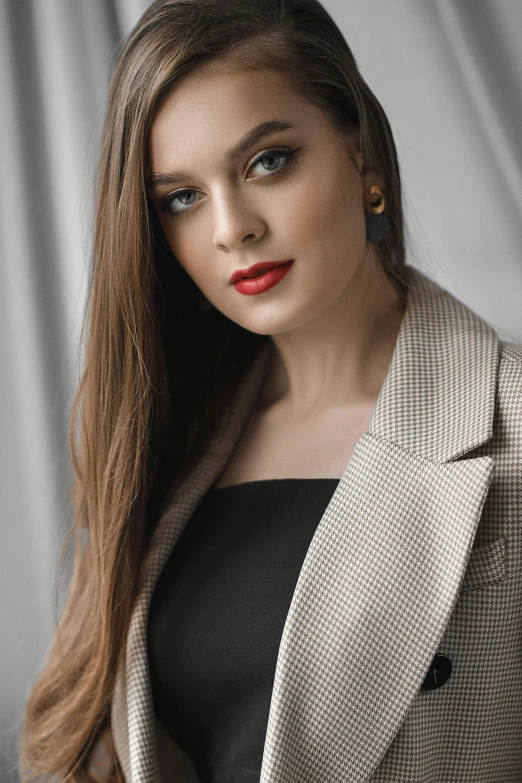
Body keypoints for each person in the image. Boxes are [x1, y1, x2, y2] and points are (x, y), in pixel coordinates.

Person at [19, 0, 522, 781]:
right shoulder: (169, 432)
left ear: (364, 157)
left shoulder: (508, 420)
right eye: (181, 198)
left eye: (267, 161)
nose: (232, 227)